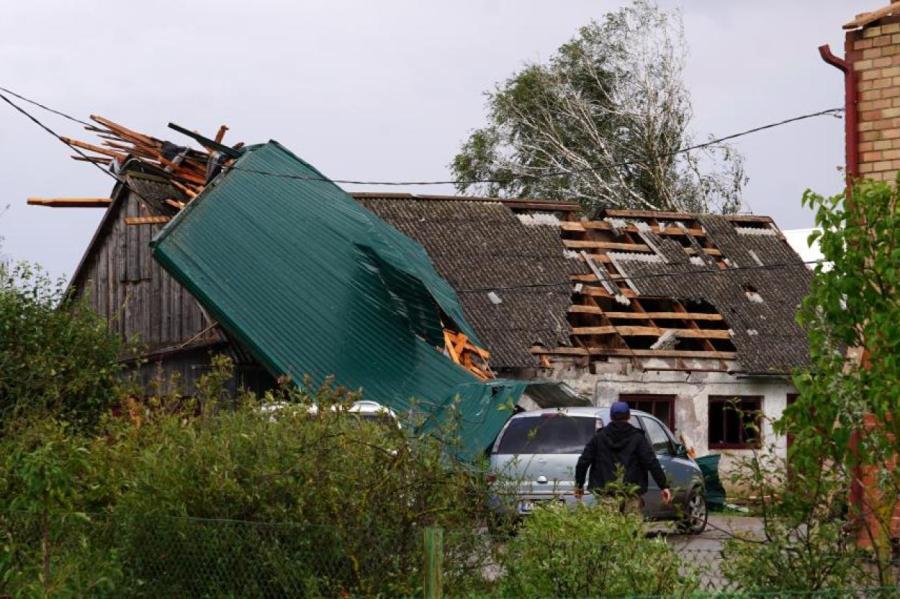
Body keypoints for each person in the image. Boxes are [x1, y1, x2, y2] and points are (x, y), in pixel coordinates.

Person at [574, 401, 672, 513]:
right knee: (631, 528)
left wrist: (579, 485)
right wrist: (663, 486)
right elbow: (651, 462)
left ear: (611, 417)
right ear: (629, 416)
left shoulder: (599, 437)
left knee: (609, 528)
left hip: (607, 493)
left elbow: (583, 461)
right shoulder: (638, 438)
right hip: (631, 492)